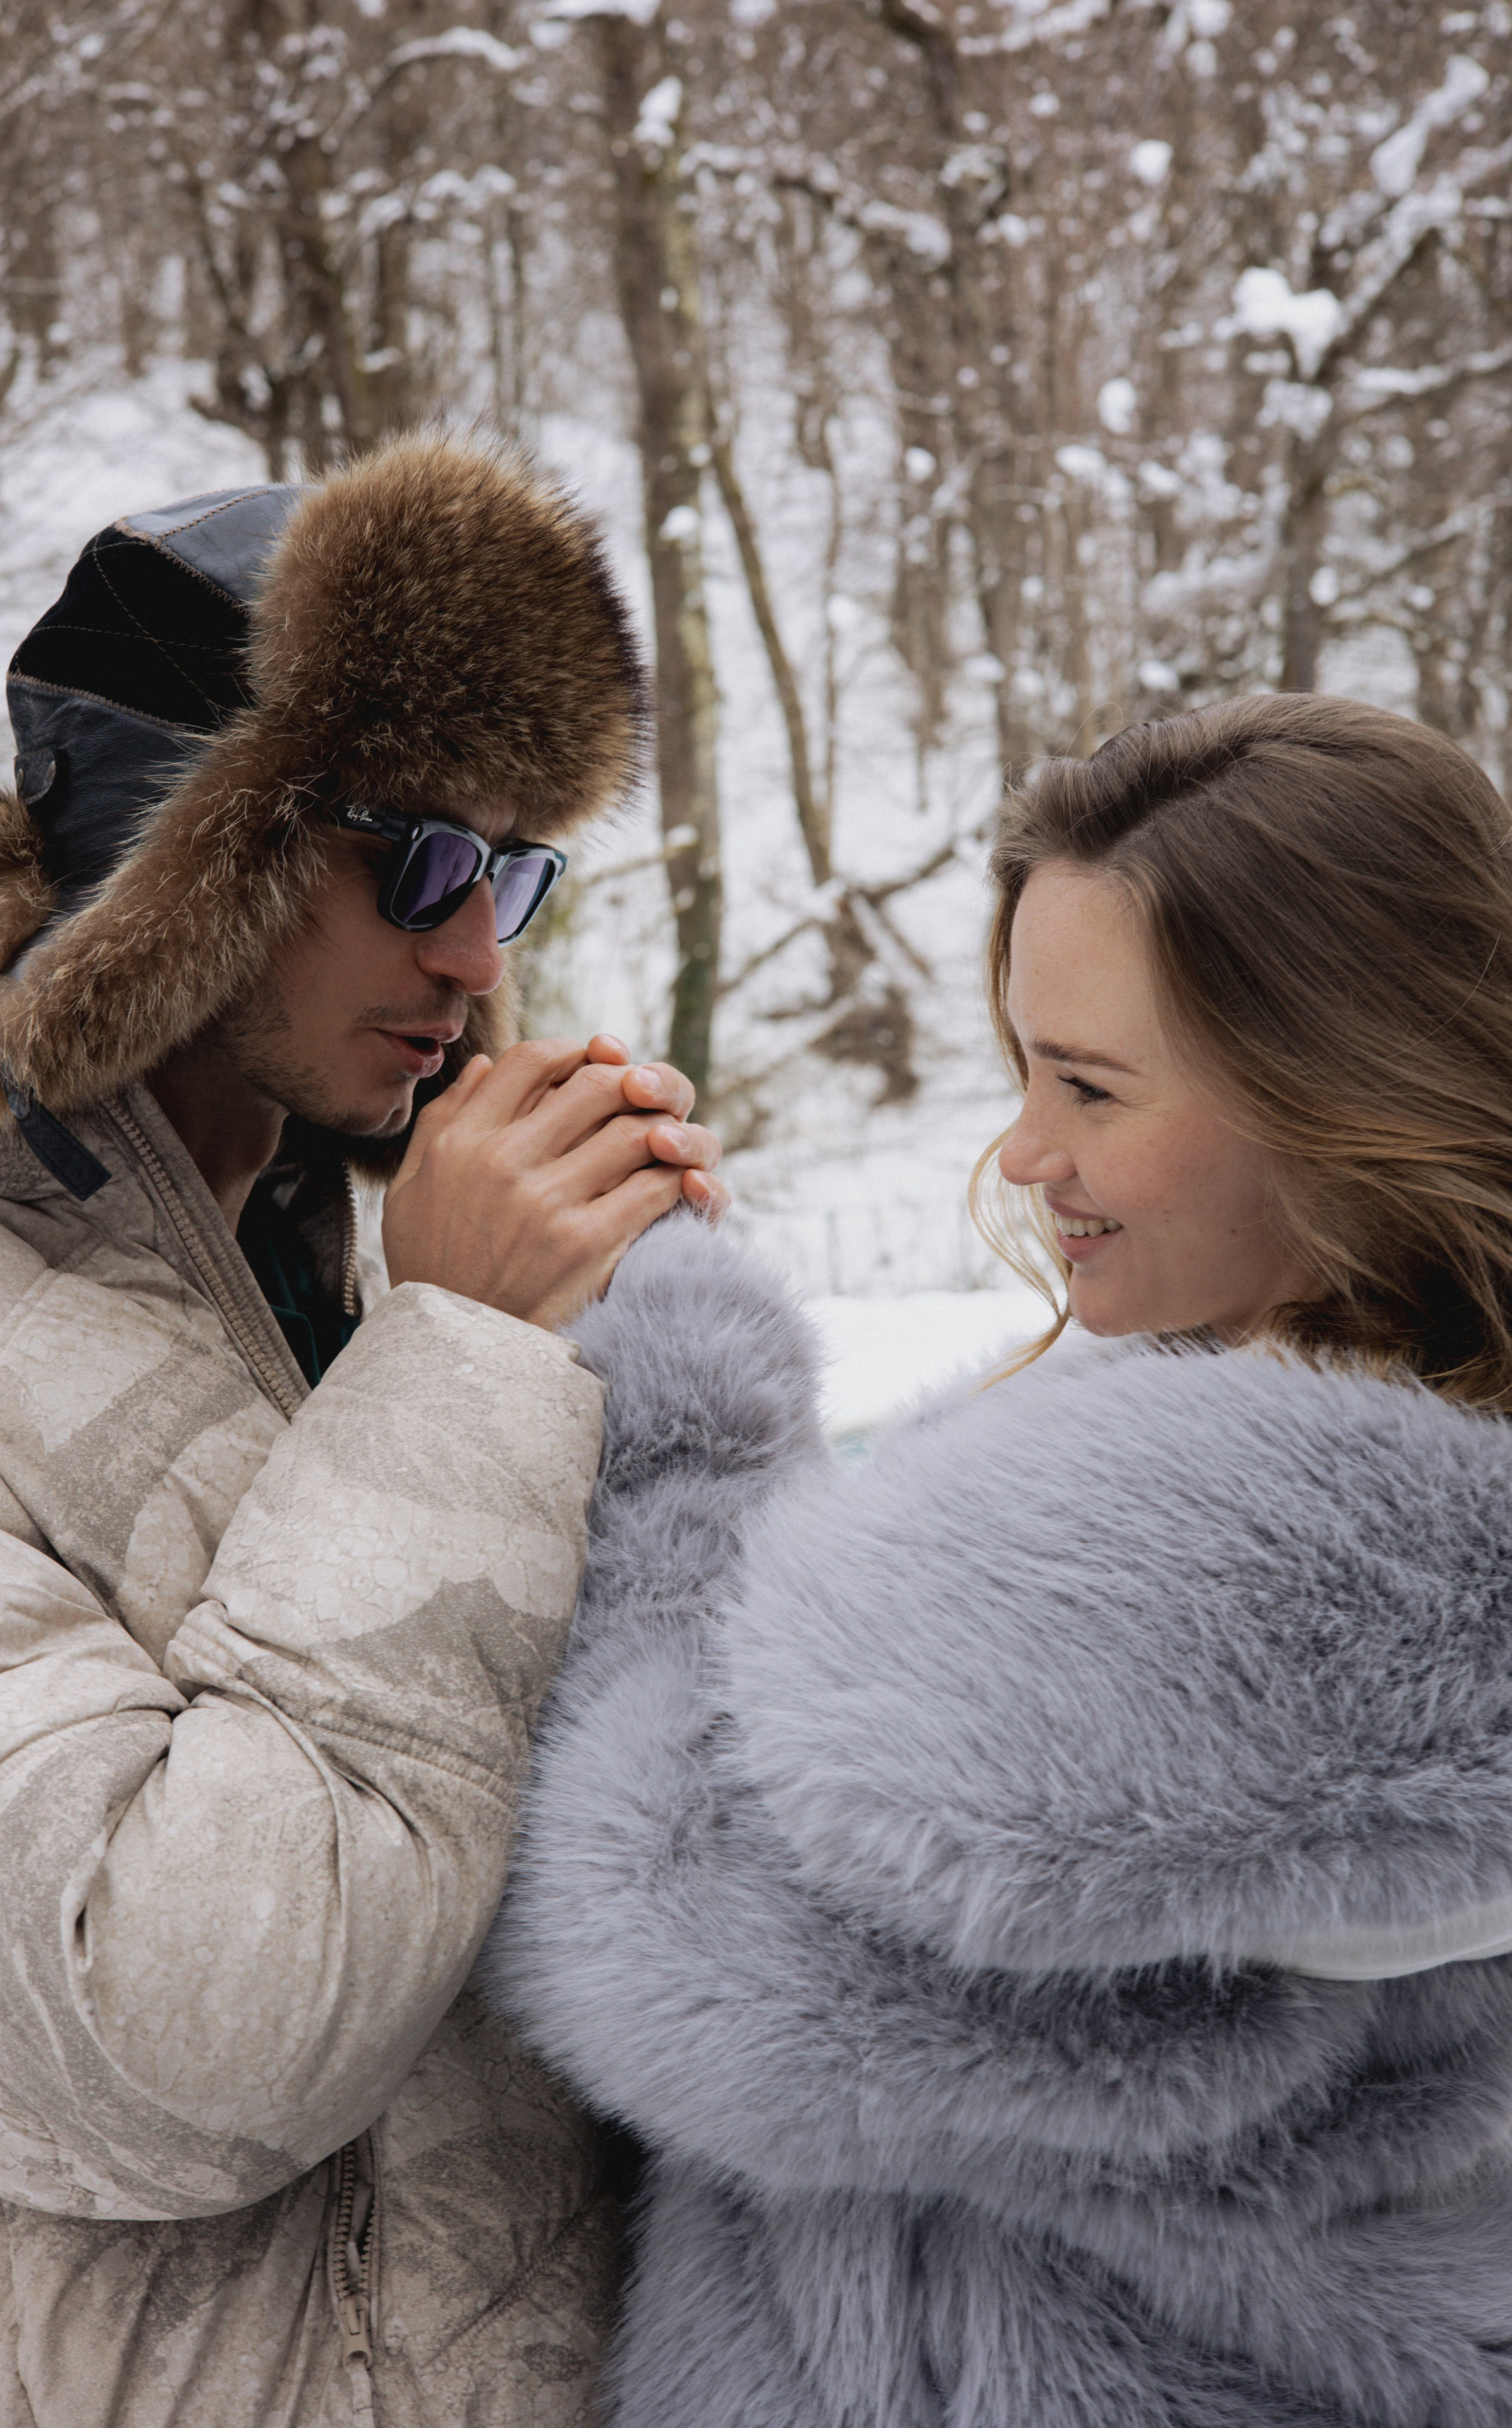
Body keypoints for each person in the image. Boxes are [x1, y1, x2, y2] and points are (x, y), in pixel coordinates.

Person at [489, 691, 1512, 2427]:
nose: (1026, 1152)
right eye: (1025, 1066)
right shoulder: (1355, 1450)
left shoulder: (1292, 1566)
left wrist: (656, 1378)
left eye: (1091, 1086)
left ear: (1339, 1092)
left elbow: (670, 1934)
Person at [0, 431, 725, 2427]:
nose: (478, 954)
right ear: (193, 861)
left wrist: (677, 1384)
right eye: (423, 859)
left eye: (520, 870)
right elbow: (169, 2029)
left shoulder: (369, 1259)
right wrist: (463, 1365)